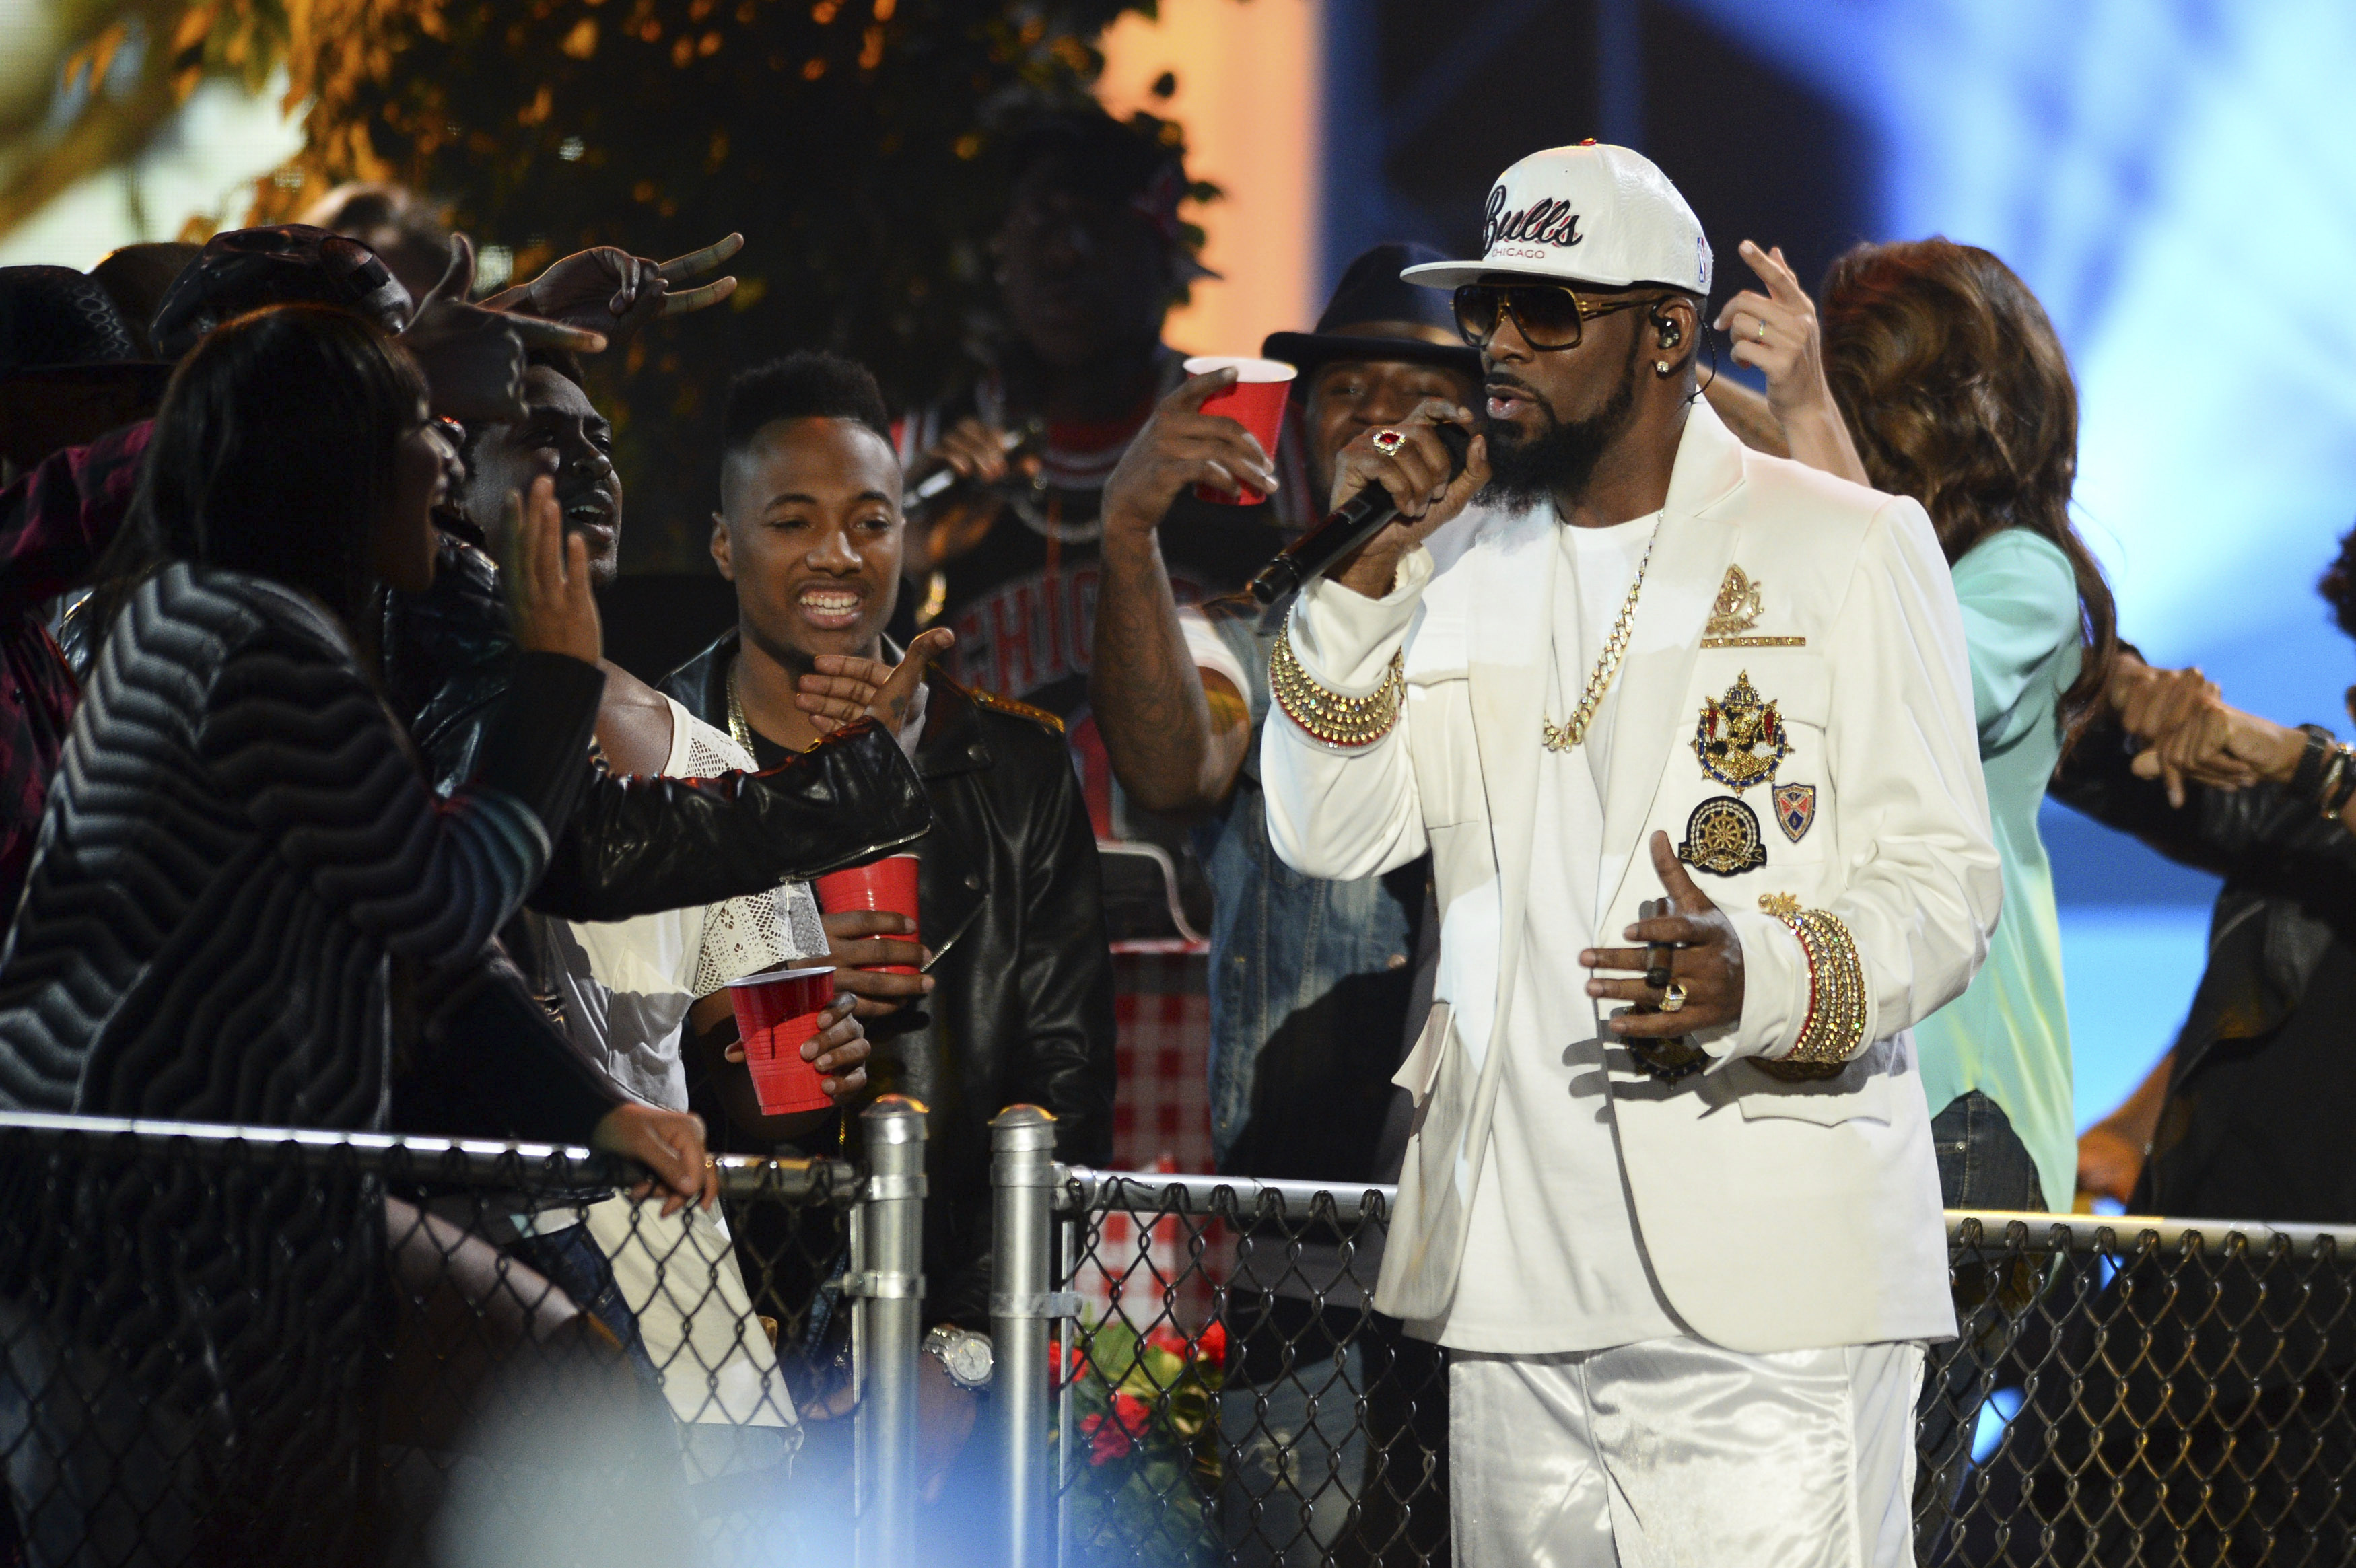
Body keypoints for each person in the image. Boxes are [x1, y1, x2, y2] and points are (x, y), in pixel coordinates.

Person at [1258, 143, 1999, 1566]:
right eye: (1485, 309)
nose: (1498, 346)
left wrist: (1760, 975)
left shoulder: (1845, 543)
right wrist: (1357, 586)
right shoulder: (1452, 561)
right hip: (1513, 1281)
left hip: (1772, 1286)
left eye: (1546, 312)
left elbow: (1944, 885)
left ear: (1666, 331)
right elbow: (1330, 828)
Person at [0, 304, 710, 1565]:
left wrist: (598, 1110)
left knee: (547, 1405)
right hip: (131, 1244)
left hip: (226, 1222)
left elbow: (416, 931)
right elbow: (444, 899)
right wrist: (555, 676)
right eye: (418, 426)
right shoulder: (245, 643)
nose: (448, 454)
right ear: (334, 463)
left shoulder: (236, 626)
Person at [1710, 236, 2120, 1540]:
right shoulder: (1824, 537)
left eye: (1854, 387)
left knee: (1871, 1510)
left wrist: (1793, 413)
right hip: (1832, 1087)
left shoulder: (2020, 579)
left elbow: (1899, 657)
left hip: (1958, 1111)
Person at [661, 349, 1117, 1509]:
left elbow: (1063, 1086)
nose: (837, 554)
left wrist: (960, 1347)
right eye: (793, 521)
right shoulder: (653, 752)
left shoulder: (1012, 770)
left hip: (945, 1390)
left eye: (870, 520)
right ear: (724, 544)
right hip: (694, 1352)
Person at [1089, 240, 1481, 1561]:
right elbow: (1167, 762)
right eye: (1342, 392)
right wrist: (1126, 533)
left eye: (1416, 393)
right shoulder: (1250, 632)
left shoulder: (1538, 632)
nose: (1374, 420)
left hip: (1512, 1247)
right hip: (1306, 1246)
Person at [897, 107, 1274, 718]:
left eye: (1097, 223)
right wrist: (902, 564)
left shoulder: (1243, 431)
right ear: (1002, 253)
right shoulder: (917, 450)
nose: (1064, 254)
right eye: (1041, 219)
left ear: (1162, 259)